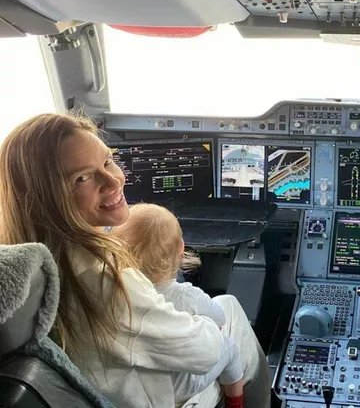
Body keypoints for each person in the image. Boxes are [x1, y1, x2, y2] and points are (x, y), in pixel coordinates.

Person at [0, 113, 270, 408]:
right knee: (231, 321)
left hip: (110, 381)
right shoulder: (106, 283)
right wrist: (204, 323)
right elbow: (204, 351)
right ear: (46, 198)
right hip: (155, 398)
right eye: (82, 178)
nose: (113, 180)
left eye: (107, 161)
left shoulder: (25, 258)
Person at [112, 203, 245, 408]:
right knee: (231, 349)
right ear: (181, 247)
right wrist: (205, 322)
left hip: (135, 385)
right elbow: (220, 319)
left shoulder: (111, 292)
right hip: (179, 387)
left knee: (228, 302)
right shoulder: (186, 295)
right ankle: (237, 403)